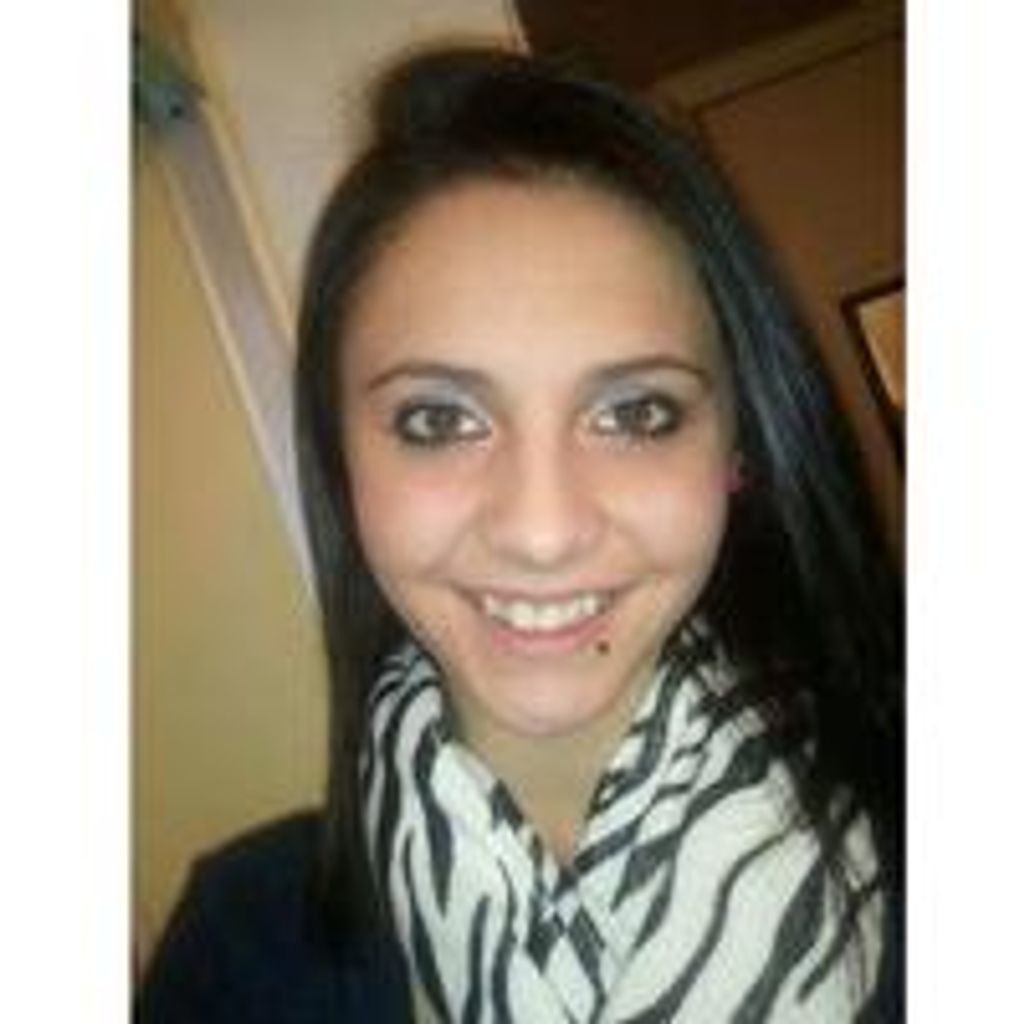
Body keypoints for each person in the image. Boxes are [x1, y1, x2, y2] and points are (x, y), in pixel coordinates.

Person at [137, 46, 903, 1022]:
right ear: (342, 460)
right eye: (438, 420)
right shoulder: (240, 949)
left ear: (737, 451)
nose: (542, 532)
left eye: (636, 413)